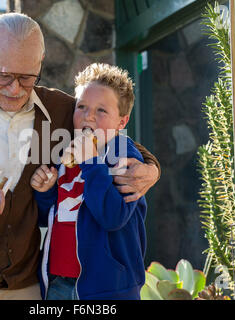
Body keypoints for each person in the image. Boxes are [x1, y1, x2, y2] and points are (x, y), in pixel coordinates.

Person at [0, 13, 160, 300]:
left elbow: (110, 134)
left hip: (25, 286)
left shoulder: (61, 110)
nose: (15, 89)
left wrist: (151, 169)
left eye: (27, 78)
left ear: (40, 63)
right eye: (4, 76)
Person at [31, 63, 148, 300]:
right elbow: (52, 217)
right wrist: (46, 192)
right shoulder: (68, 155)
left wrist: (92, 163)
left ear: (122, 122)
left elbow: (113, 216)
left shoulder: (124, 155)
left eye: (101, 111)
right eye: (81, 106)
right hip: (58, 283)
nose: (89, 116)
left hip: (106, 290)